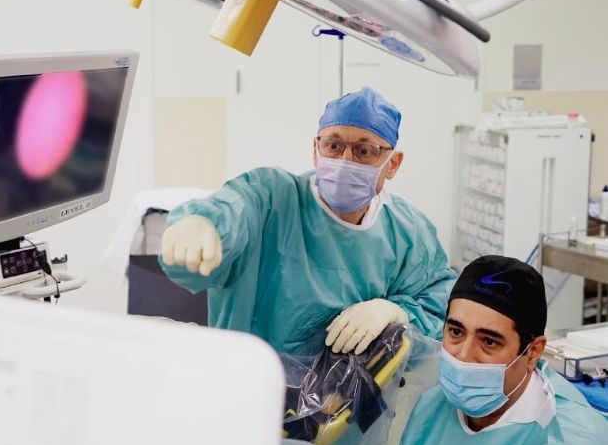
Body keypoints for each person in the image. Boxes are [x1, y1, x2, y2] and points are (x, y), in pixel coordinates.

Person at [159, 87, 456, 356]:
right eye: (334, 146)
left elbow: (440, 305)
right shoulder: (271, 198)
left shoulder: (408, 233)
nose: (345, 161)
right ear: (316, 150)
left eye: (364, 151)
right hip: (250, 385)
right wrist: (203, 224)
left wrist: (395, 312)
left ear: (393, 164)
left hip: (349, 398)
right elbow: (232, 209)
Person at [400, 255, 608, 445]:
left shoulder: (572, 438)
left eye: (489, 342)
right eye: (456, 332)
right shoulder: (429, 408)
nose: (463, 356)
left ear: (533, 352)